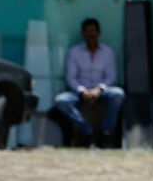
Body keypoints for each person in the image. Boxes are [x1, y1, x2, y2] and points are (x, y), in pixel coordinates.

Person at [52, 18, 126, 148]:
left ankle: (106, 132)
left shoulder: (108, 52)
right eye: (88, 31)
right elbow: (71, 78)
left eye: (93, 31)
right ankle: (86, 131)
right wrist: (83, 92)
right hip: (80, 93)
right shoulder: (75, 52)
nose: (91, 34)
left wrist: (98, 90)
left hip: (101, 92)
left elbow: (110, 77)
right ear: (83, 34)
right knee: (61, 101)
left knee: (118, 94)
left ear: (98, 33)